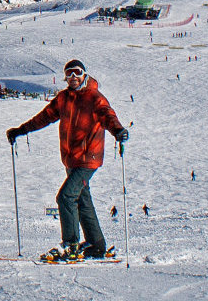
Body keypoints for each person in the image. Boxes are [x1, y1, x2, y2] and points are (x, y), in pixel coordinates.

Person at [7, 60, 127, 263]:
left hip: (88, 158)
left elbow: (108, 116)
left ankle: (70, 245)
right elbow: (44, 117)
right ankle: (96, 245)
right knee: (82, 200)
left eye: (77, 73)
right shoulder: (64, 98)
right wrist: (21, 130)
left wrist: (118, 131)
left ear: (84, 74)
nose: (73, 77)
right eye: (69, 74)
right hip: (71, 159)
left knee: (65, 197)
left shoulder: (94, 98)